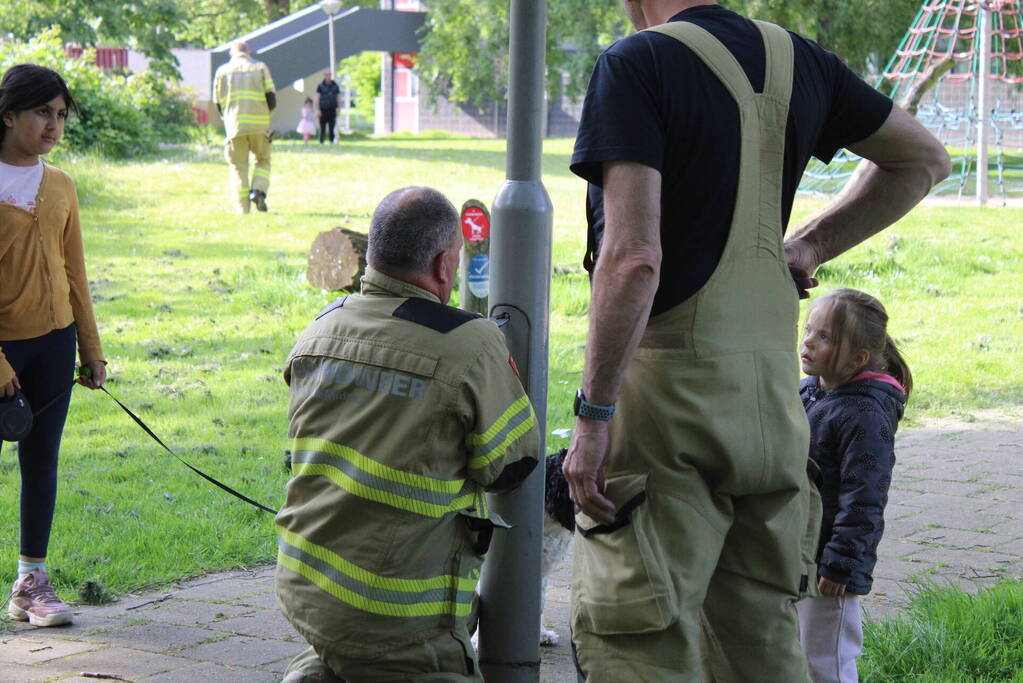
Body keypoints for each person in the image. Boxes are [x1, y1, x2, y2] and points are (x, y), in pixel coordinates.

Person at [562, 0, 950, 680]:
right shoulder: (801, 62)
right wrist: (806, 247)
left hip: (665, 416)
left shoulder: (637, 63)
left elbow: (633, 260)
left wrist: (592, 418)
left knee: (638, 638)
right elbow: (922, 159)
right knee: (759, 645)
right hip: (772, 412)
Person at [275, 186, 540, 682]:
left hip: (306, 587)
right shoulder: (470, 343)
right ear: (444, 265)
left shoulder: (319, 330)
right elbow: (512, 466)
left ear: (372, 254)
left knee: (341, 658)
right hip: (399, 616)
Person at [0, 63, 108, 627]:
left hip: (55, 342)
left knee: (41, 463)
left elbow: (76, 273)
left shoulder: (60, 184)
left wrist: (91, 349)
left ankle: (30, 583)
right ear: (9, 113)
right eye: (43, 111)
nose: (53, 125)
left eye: (61, 114)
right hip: (2, 349)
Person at [796, 289, 910, 683]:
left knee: (827, 661)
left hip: (832, 566)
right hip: (799, 552)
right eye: (810, 329)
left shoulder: (864, 414)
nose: (808, 340)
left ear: (858, 358)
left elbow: (865, 497)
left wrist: (842, 561)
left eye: (825, 337)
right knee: (798, 654)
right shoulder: (810, 390)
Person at [213, 41, 276, 214]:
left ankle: (243, 209)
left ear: (231, 54)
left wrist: (227, 120)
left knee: (238, 167)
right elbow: (271, 97)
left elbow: (217, 102)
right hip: (259, 125)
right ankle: (258, 190)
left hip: (235, 127)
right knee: (263, 160)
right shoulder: (260, 67)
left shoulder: (222, 71)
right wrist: (268, 118)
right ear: (248, 52)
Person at [316, 70, 341, 144]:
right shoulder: (320, 86)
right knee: (322, 127)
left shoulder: (335, 86)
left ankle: (331, 141)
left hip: (332, 109)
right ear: (324, 75)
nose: (328, 76)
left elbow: (338, 97)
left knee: (331, 127)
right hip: (323, 109)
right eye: (326, 74)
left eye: (329, 74)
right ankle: (321, 141)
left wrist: (338, 108)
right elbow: (317, 98)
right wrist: (318, 110)